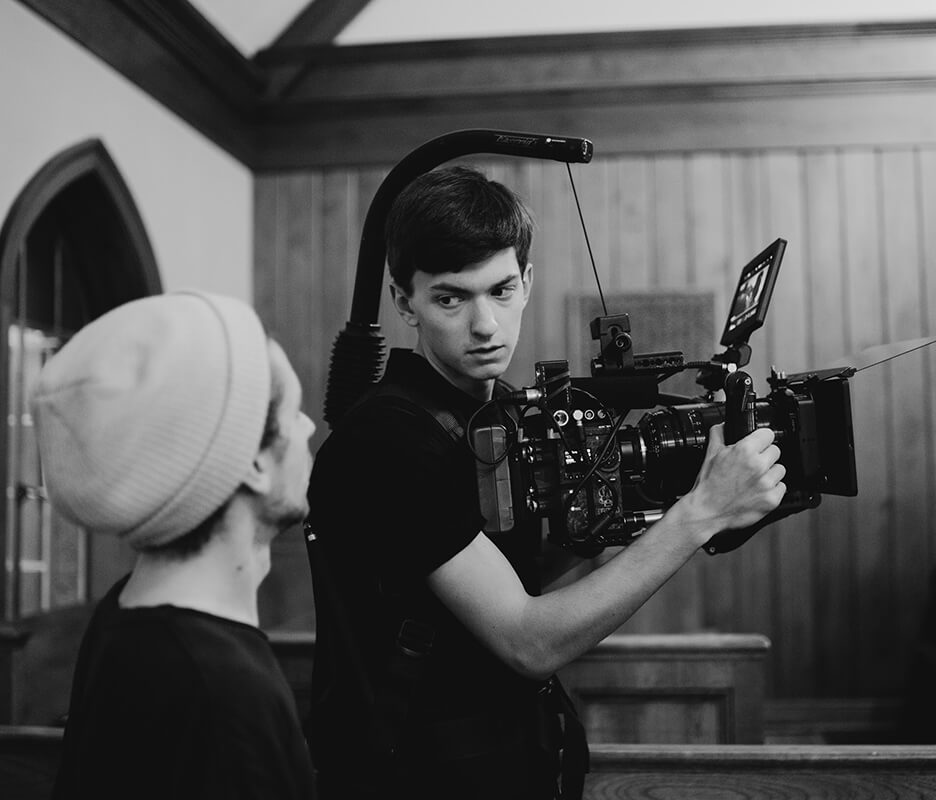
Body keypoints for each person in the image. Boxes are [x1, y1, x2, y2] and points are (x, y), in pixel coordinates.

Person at [304, 166, 786, 799]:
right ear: (403, 301)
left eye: (501, 290)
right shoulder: (388, 439)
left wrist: (634, 500)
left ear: (527, 282)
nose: (485, 325)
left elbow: (535, 571)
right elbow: (527, 640)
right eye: (451, 299)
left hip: (509, 758)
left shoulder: (497, 410)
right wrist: (699, 515)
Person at [34, 291, 318, 800]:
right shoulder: (226, 694)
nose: (308, 427)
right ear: (253, 462)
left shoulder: (126, 611)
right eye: (294, 412)